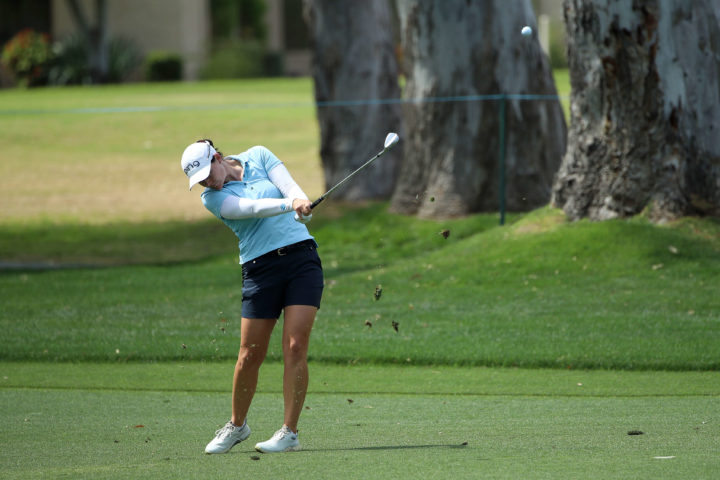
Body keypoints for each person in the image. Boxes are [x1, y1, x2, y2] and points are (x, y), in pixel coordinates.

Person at [180, 139, 323, 454]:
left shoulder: (259, 155)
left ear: (218, 157)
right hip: (260, 271)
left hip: (302, 260)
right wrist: (292, 205)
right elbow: (252, 209)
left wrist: (299, 201)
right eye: (200, 180)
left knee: (296, 346)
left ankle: (289, 432)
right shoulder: (213, 199)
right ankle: (237, 425)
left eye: (207, 172)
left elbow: (289, 186)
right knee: (249, 354)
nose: (206, 181)